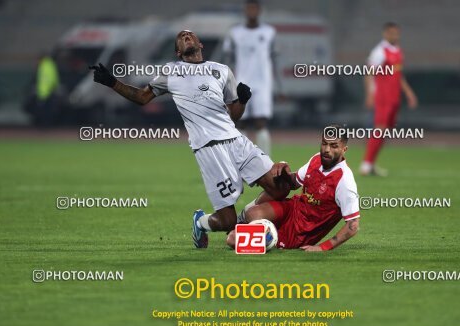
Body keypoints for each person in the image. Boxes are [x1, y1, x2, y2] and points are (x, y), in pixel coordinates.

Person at [89, 30, 290, 248]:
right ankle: (201, 222)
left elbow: (234, 114)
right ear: (178, 51)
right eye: (181, 37)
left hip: (236, 141)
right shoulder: (171, 72)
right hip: (209, 149)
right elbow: (141, 97)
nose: (186, 36)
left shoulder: (221, 70)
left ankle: (247, 216)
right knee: (226, 222)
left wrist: (242, 100)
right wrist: (112, 82)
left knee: (280, 188)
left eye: (189, 35)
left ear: (199, 43)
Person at [227, 125, 360, 252]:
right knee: (253, 213)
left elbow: (353, 226)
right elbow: (293, 182)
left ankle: (254, 231)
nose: (326, 149)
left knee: (232, 239)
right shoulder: (317, 160)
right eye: (324, 143)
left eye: (334, 146)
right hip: (292, 209)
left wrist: (322, 247)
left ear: (344, 149)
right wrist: (284, 167)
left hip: (298, 233)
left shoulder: (344, 181)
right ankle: (242, 223)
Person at [223, 0, 283, 156]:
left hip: (263, 84)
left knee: (261, 122)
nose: (251, 11)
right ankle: (241, 161)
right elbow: (228, 60)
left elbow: (275, 60)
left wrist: (280, 86)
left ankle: (265, 163)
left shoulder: (269, 32)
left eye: (254, 8)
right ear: (245, 10)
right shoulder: (235, 32)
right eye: (249, 8)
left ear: (259, 10)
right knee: (239, 122)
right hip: (241, 82)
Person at [360, 22, 418, 176]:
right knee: (380, 128)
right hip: (383, 96)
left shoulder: (398, 51)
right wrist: (370, 94)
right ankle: (366, 164)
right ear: (385, 33)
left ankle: (371, 163)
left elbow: (399, 76)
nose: (394, 36)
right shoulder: (380, 51)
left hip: (394, 97)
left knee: (385, 131)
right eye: (391, 33)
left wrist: (409, 93)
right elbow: (368, 73)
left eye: (396, 33)